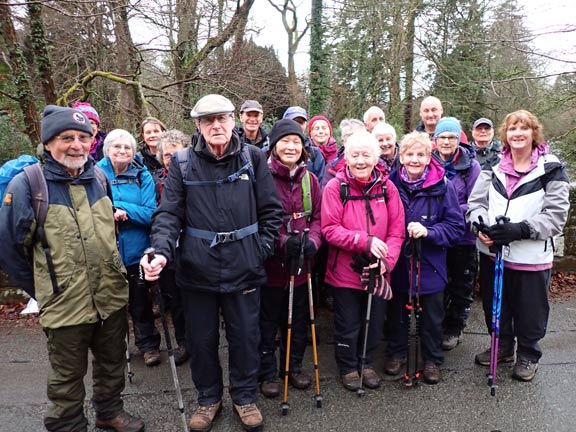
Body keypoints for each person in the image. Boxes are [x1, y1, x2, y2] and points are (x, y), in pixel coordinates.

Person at [140, 94, 283, 432]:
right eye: (208, 120)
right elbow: (168, 214)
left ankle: (245, 397)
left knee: (245, 337)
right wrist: (160, 251)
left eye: (222, 118)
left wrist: (258, 250)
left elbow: (271, 212)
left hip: (244, 267)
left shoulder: (253, 157)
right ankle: (208, 398)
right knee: (201, 340)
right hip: (197, 268)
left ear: (233, 121)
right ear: (198, 126)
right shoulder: (184, 162)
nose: (216, 125)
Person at [0, 105, 144, 432]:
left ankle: (109, 412)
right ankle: (68, 424)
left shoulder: (100, 179)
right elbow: (9, 250)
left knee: (111, 366)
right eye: (67, 138)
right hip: (64, 305)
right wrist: (45, 291)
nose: (76, 145)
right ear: (48, 142)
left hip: (109, 297)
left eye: (83, 137)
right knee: (66, 377)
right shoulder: (27, 186)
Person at [467, 110, 569, 382]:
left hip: (531, 256)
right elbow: (476, 204)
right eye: (512, 128)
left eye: (524, 128)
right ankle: (501, 347)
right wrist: (482, 228)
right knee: (496, 306)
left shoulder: (551, 169)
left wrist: (521, 230)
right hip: (493, 253)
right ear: (505, 134)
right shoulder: (494, 167)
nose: (518, 133)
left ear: (534, 133)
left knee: (530, 310)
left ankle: (528, 353)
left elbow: (556, 215)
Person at [321, 130, 405, 391]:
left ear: (376, 157)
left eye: (366, 155)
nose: (360, 161)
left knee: (375, 319)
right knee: (348, 322)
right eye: (354, 155)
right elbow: (329, 229)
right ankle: (347, 367)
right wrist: (364, 241)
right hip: (345, 271)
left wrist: (386, 262)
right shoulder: (336, 186)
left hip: (378, 271)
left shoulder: (387, 187)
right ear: (346, 157)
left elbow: (396, 231)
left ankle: (366, 362)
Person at [385, 132, 465, 384]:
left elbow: (455, 227)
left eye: (420, 154)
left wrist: (429, 232)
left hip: (431, 262)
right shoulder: (389, 184)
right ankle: (396, 353)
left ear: (429, 157)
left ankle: (432, 359)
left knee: (432, 315)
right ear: (401, 157)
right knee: (396, 310)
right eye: (409, 154)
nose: (415, 159)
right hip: (398, 260)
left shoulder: (444, 186)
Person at [258, 119, 322, 398]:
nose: (291, 146)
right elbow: (256, 219)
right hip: (270, 266)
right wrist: (283, 242)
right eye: (285, 141)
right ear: (273, 146)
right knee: (267, 320)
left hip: (302, 264)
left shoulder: (311, 180)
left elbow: (319, 217)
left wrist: (314, 242)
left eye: (296, 141)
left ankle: (293, 366)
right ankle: (267, 371)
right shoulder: (261, 177)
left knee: (297, 320)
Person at [97, 129, 161, 367]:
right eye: (117, 147)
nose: (122, 151)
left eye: (127, 147)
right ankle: (114, 347)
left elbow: (150, 213)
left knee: (140, 302)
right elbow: (90, 210)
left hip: (137, 251)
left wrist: (119, 208)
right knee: (111, 305)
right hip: (106, 251)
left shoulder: (142, 175)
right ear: (107, 150)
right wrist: (109, 211)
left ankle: (148, 345)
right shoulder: (95, 173)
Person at [430, 118, 481, 350]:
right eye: (442, 137)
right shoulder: (428, 162)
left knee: (461, 284)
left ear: (458, 139)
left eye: (451, 137)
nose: (447, 141)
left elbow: (475, 203)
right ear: (435, 139)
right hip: (436, 234)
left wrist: (447, 212)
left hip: (462, 236)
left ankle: (454, 328)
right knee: (437, 283)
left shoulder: (471, 166)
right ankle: (435, 325)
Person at [152, 129, 191, 365]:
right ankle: (183, 342)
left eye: (176, 154)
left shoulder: (195, 176)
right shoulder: (156, 180)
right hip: (168, 247)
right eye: (167, 155)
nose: (172, 159)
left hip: (192, 245)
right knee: (174, 299)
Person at [280, 106, 325, 184]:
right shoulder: (270, 151)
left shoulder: (314, 153)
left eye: (300, 122)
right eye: (293, 121)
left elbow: (320, 185)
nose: (297, 126)